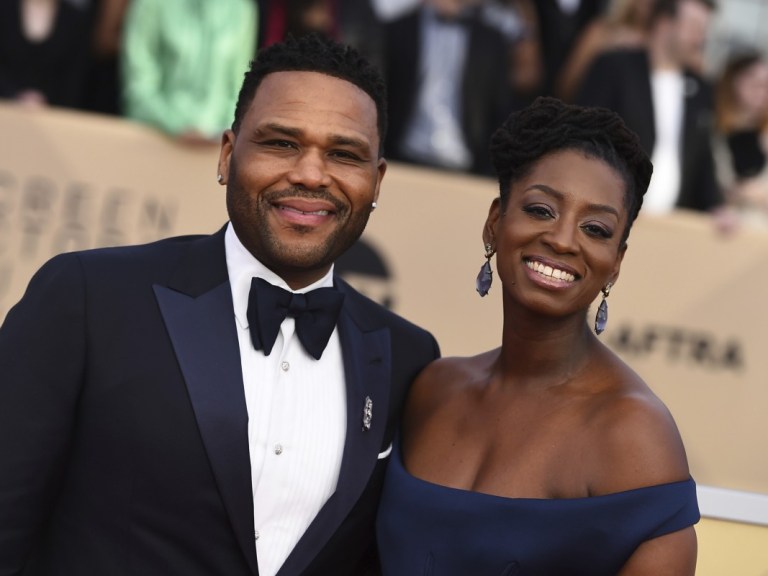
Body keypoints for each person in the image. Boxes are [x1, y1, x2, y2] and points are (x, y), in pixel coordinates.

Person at [0, 33, 440, 576]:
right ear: (228, 154)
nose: (309, 173)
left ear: (376, 182)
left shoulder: (408, 358)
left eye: (343, 154)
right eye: (281, 143)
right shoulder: (89, 296)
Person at [377, 97, 699, 575]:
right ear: (494, 223)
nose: (564, 240)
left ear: (617, 262)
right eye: (541, 209)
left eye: (595, 228)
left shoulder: (633, 434)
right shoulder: (432, 390)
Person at [576, 0, 723, 216]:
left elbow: (702, 159)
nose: (700, 38)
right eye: (694, 26)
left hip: (669, 228)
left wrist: (716, 207)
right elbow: (583, 137)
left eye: (704, 29)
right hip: (607, 216)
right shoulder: (615, 68)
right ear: (664, 23)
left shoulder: (701, 89)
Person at [382, 0, 514, 176]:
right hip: (402, 159)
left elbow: (499, 107)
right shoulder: (397, 29)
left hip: (463, 167)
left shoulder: (492, 40)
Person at [120, 0, 258, 146]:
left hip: (217, 148)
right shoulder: (150, 4)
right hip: (156, 139)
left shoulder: (242, 9)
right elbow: (138, 87)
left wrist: (223, 132)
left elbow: (240, 88)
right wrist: (177, 127)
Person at [713, 49, 768, 228]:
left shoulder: (763, 136)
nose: (762, 91)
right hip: (720, 227)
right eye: (755, 82)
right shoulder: (711, 132)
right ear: (735, 81)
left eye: (766, 85)